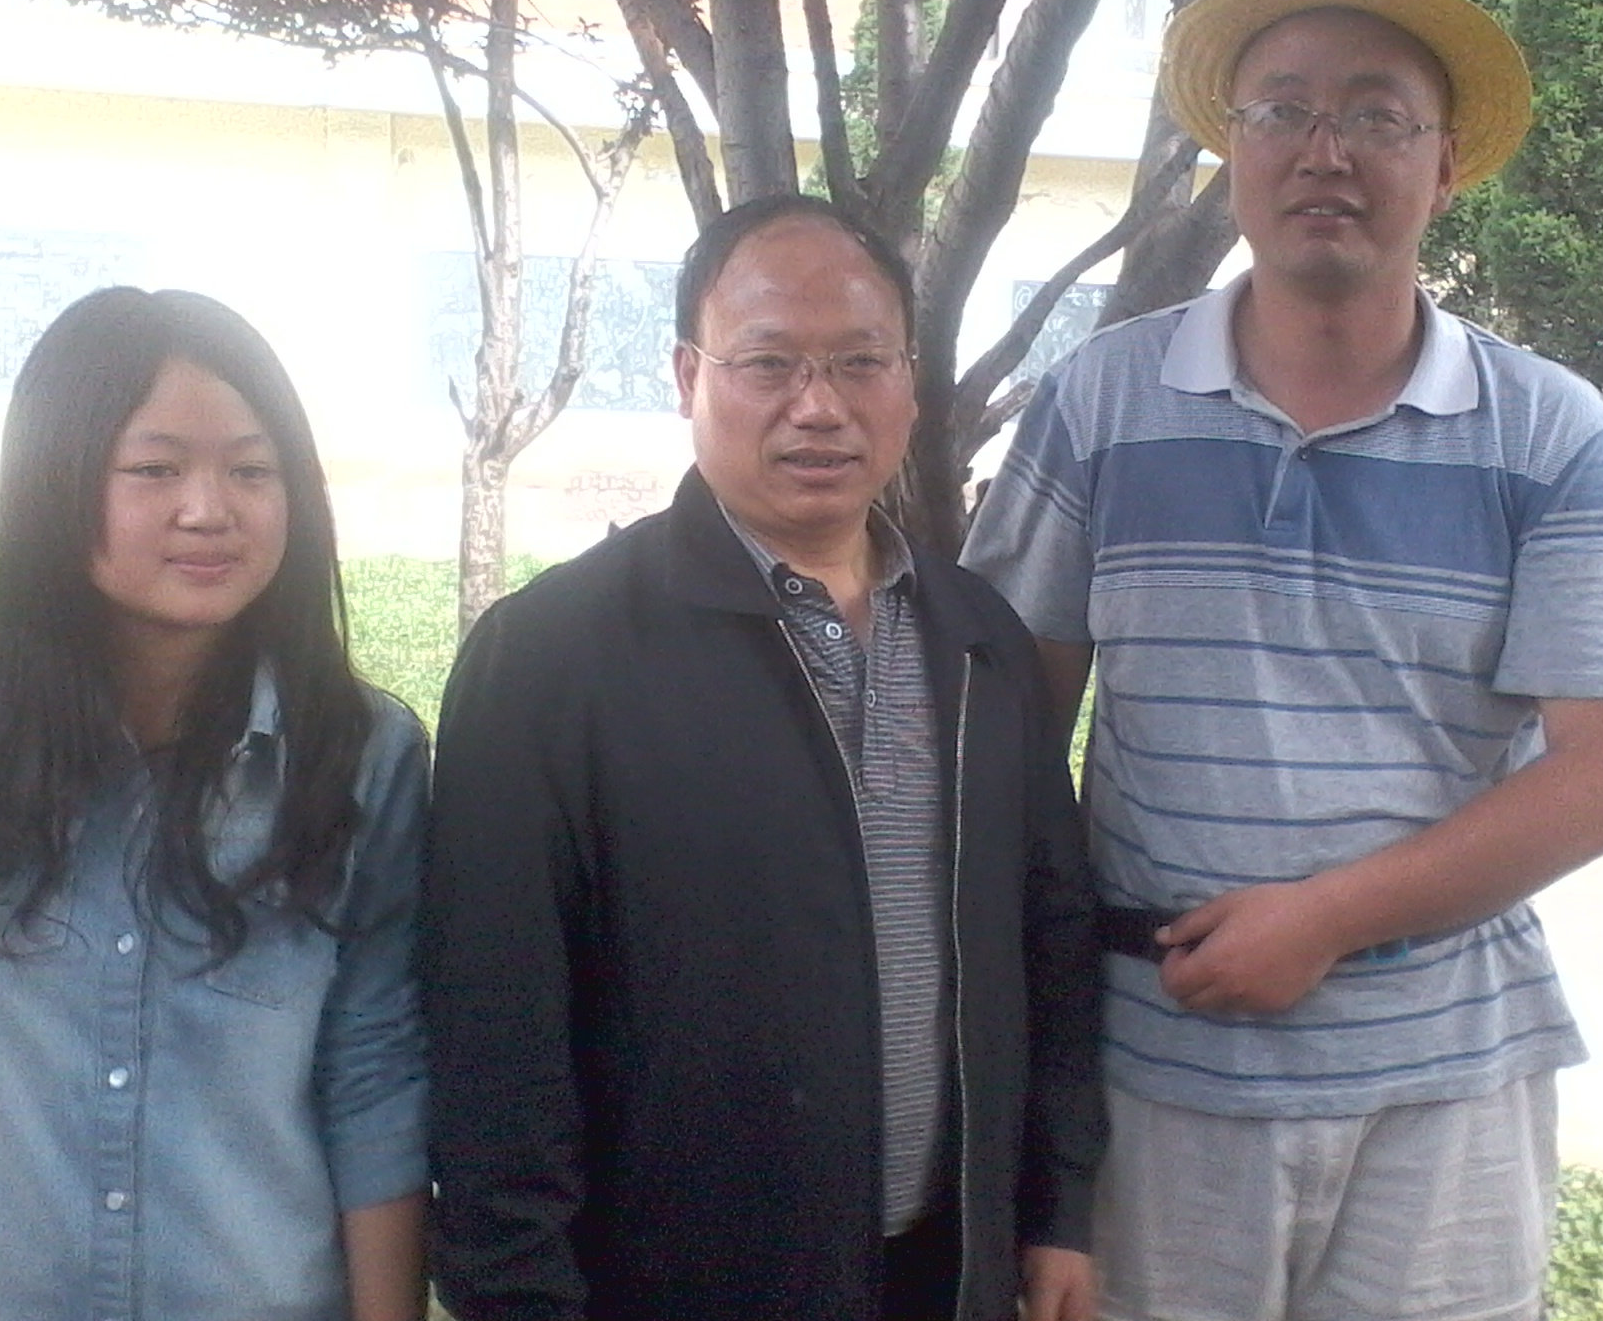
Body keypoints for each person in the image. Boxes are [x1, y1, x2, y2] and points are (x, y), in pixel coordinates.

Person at [962, 0, 1603, 1321]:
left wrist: (1326, 919)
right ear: (1231, 150)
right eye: (1281, 109)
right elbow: (1005, 732)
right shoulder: (1101, 404)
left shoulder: (1549, 433)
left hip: (1446, 1093)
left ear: (1445, 165)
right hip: (1153, 1081)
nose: (1324, 151)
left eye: (1375, 115)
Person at [424, 193, 1105, 1321]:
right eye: (769, 363)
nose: (818, 406)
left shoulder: (977, 638)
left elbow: (1051, 935)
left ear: (910, 381)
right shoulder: (552, 657)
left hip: (948, 1271)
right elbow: (495, 1034)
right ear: (687, 377)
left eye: (859, 362)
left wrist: (1057, 1207)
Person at [0, 287, 431, 1321]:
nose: (208, 509)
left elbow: (372, 1077)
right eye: (155, 469)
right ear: (58, 481)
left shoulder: (359, 755)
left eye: (252, 470)